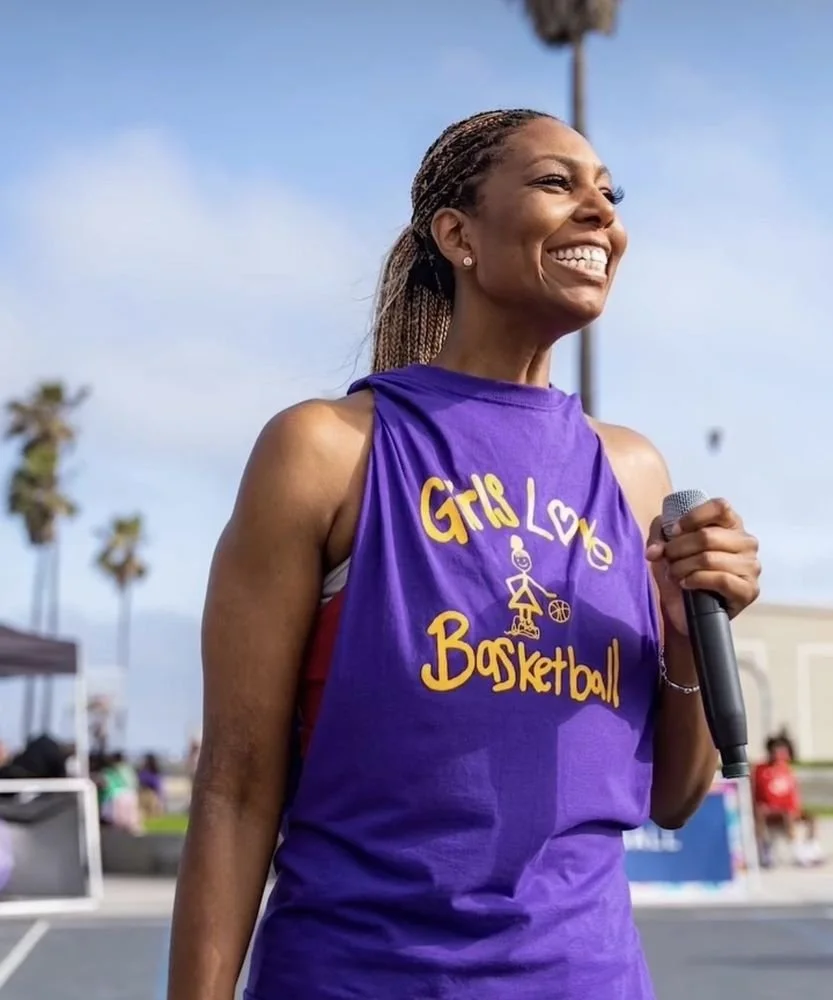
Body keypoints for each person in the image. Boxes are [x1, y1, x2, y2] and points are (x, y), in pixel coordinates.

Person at [167, 109, 761, 1000]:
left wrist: (681, 632)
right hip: (354, 978)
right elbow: (236, 786)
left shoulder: (633, 472)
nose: (600, 212)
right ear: (458, 236)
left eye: (609, 191)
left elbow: (671, 798)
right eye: (558, 183)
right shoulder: (327, 450)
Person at [753, 735, 824, 867]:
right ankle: (795, 851)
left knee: (811, 817)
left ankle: (812, 849)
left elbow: (793, 793)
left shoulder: (786, 769)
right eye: (777, 751)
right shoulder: (760, 770)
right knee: (786, 815)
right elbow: (757, 795)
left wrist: (797, 808)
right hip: (771, 810)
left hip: (788, 809)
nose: (780, 754)